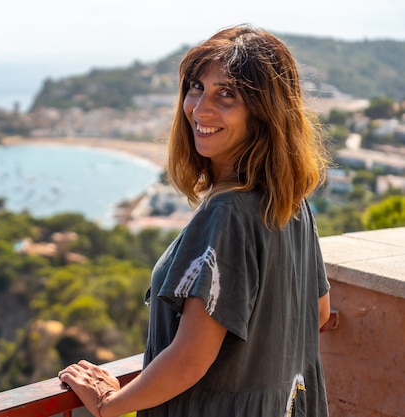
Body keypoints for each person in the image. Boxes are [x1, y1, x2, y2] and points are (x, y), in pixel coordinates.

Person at [58, 24, 332, 417]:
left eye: (227, 94)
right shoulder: (289, 202)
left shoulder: (227, 213)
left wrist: (109, 404)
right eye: (196, 87)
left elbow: (190, 358)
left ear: (265, 111)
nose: (200, 108)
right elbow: (318, 312)